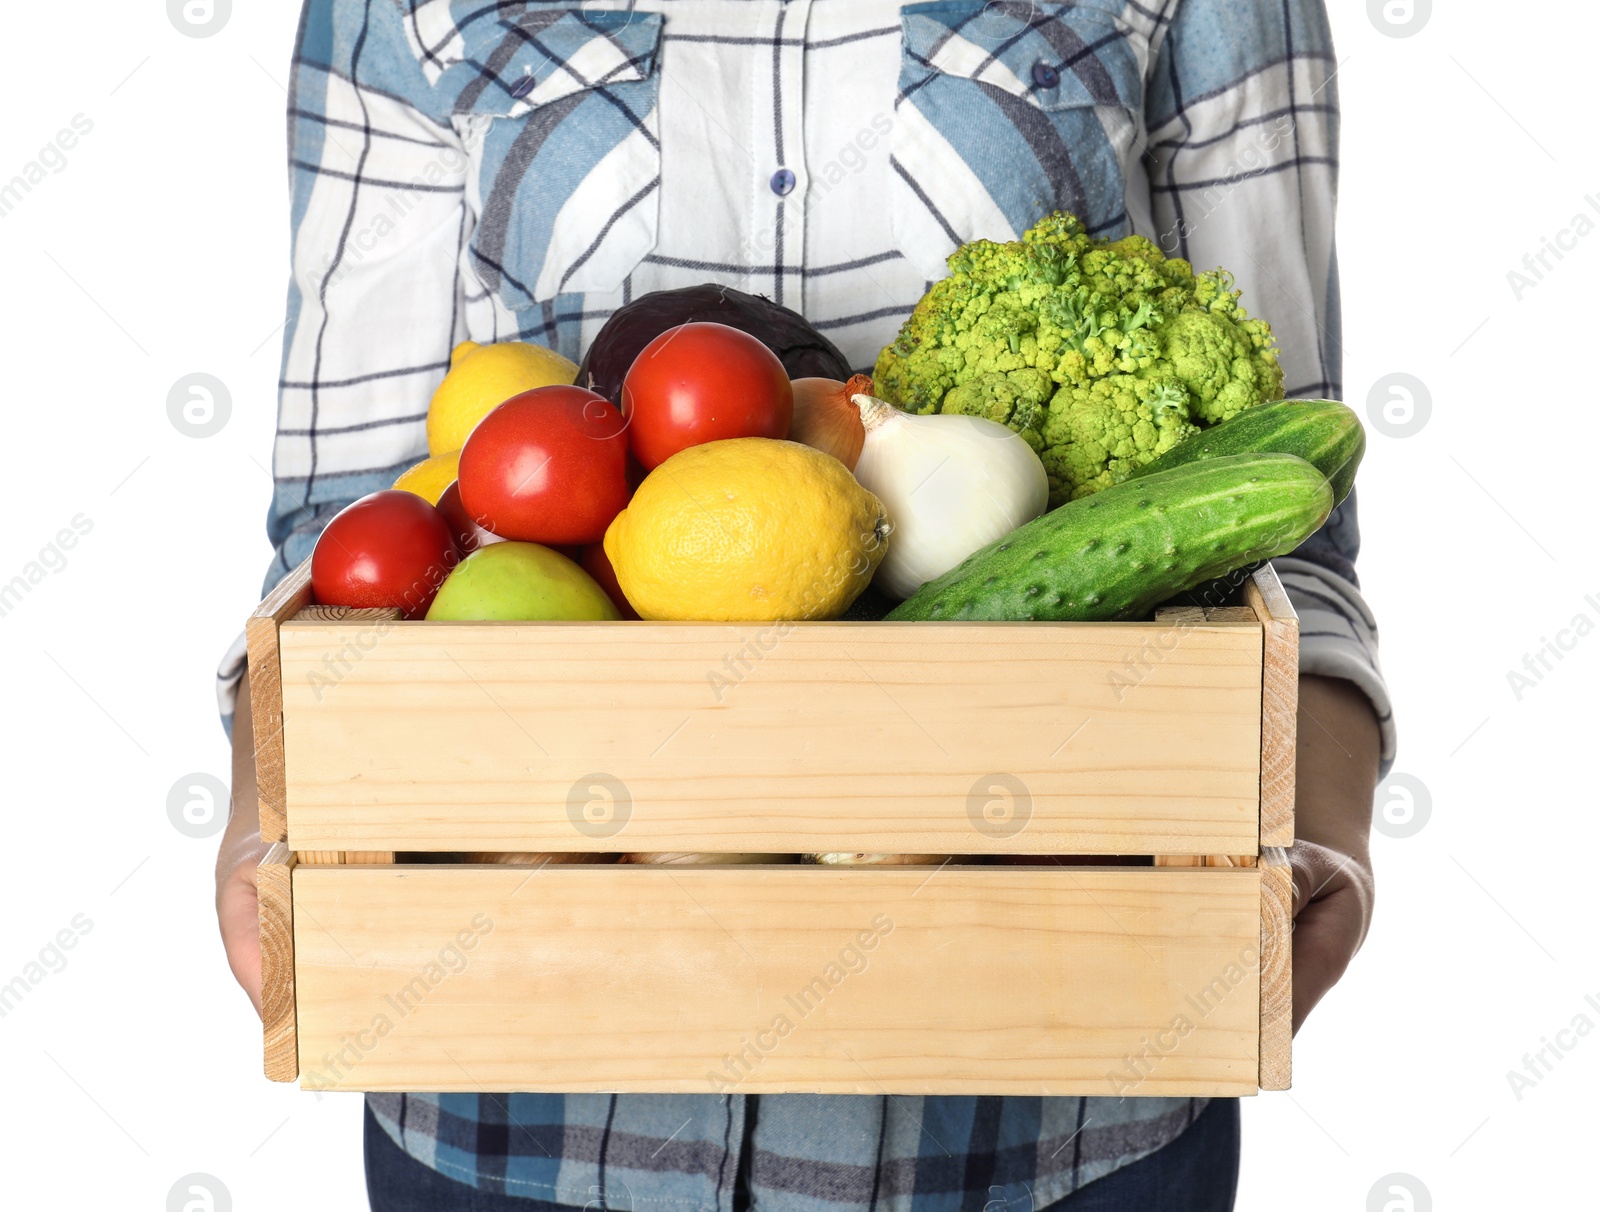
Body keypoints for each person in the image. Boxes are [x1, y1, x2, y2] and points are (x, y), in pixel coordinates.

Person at [216, 1, 1394, 1208]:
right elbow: (334, 538)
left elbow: (1282, 520)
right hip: (516, 1110)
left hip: (1050, 1114)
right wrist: (264, 826)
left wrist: (1327, 833)